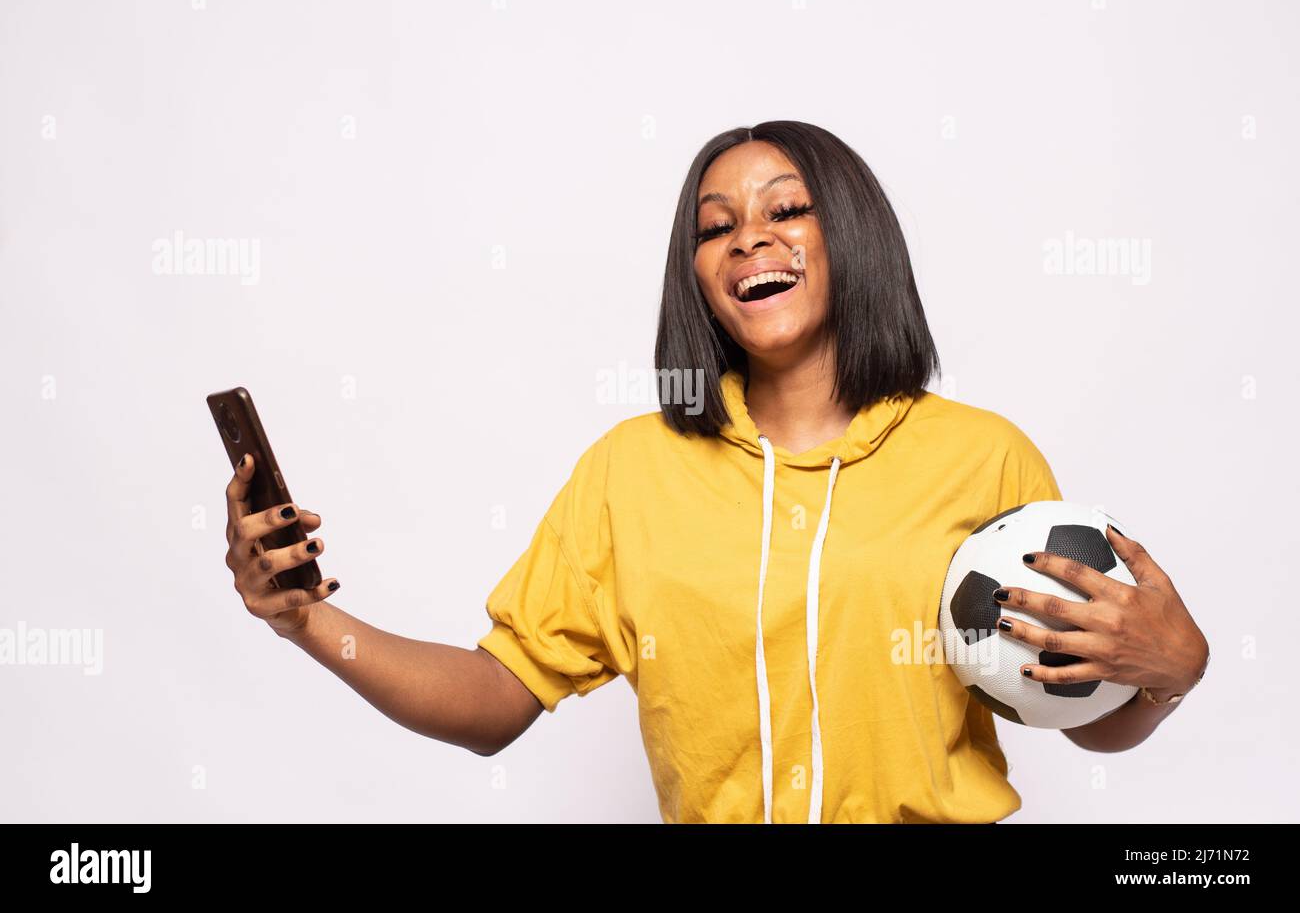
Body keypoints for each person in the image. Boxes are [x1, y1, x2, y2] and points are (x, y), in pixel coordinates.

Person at [221, 121, 1210, 823]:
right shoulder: (629, 473)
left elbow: (1081, 714)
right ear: (696, 273)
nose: (750, 235)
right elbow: (493, 698)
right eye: (714, 225)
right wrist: (307, 619)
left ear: (850, 238)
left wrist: (1167, 675)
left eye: (787, 209)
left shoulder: (983, 456)